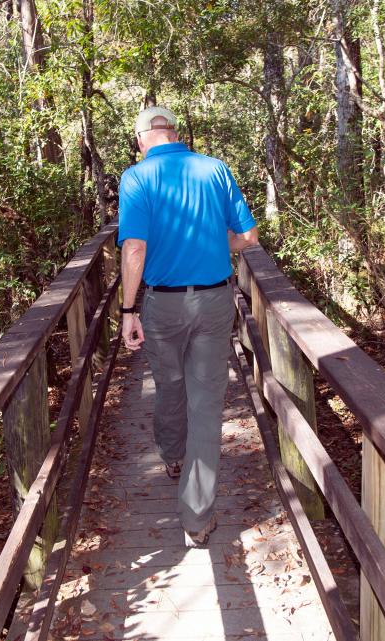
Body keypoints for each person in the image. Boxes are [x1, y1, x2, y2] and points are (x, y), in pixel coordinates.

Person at [117, 105, 259, 547]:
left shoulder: (137, 177)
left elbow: (135, 249)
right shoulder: (215, 169)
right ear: (174, 133)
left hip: (163, 305)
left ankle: (172, 455)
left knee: (170, 385)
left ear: (142, 138)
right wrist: (218, 241)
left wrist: (127, 311)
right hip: (215, 301)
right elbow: (248, 237)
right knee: (206, 404)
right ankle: (196, 518)